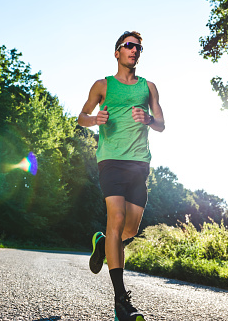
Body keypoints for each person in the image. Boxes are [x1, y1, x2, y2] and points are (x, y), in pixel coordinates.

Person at [78, 31, 165, 321]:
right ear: (117, 52)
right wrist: (94, 120)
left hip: (139, 164)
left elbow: (162, 124)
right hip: (111, 160)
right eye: (129, 45)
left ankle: (102, 244)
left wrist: (149, 119)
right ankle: (121, 303)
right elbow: (82, 117)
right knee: (115, 220)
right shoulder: (103, 85)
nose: (134, 50)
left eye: (138, 47)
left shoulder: (149, 87)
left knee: (130, 230)